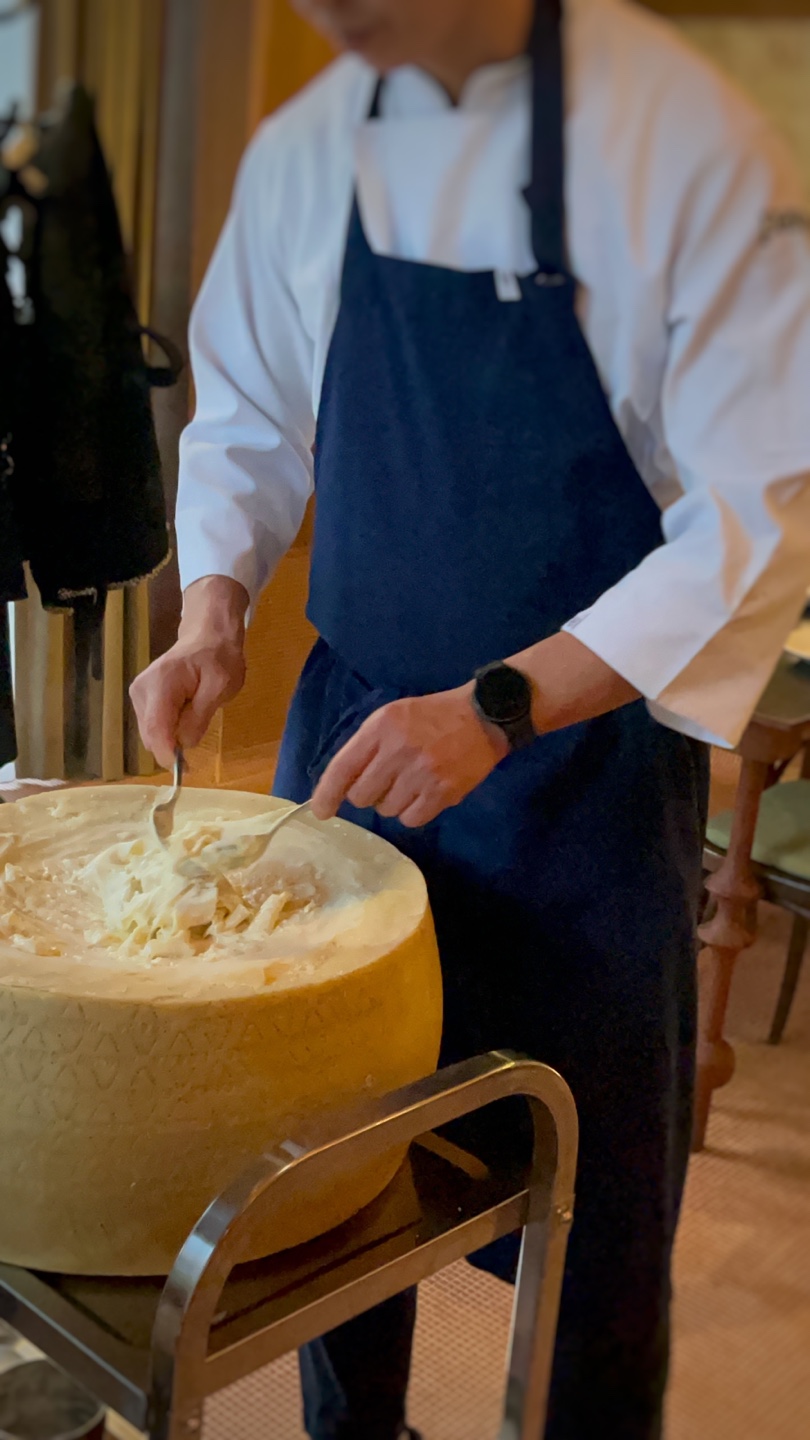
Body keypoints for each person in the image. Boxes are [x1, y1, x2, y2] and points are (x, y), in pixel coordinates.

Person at [131, 1, 810, 1435]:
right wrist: (212, 612)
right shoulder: (312, 147)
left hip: (578, 760)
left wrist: (503, 704)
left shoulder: (673, 138)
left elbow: (760, 510)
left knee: (592, 1193)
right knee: (334, 1160)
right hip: (356, 736)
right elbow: (248, 411)